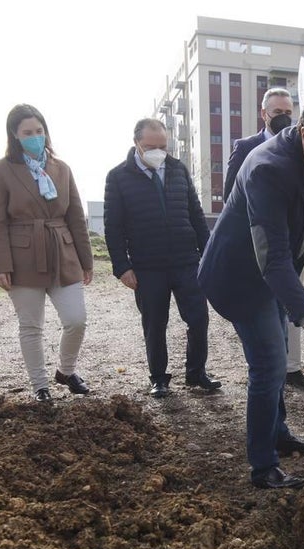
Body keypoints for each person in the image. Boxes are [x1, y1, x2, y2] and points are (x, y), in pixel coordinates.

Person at [199, 92, 304, 489]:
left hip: (276, 274)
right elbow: (272, 258)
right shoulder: (267, 169)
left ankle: (278, 432)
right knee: (270, 365)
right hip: (239, 278)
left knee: (273, 358)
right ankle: (263, 466)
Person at [0, 105, 93, 402]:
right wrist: (0, 265)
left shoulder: (62, 168)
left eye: (39, 131)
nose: (35, 137)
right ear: (15, 135)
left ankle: (66, 371)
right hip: (22, 257)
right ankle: (40, 385)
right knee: (31, 326)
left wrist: (86, 260)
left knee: (76, 320)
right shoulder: (1, 170)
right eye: (28, 132)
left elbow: (76, 216)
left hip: (63, 252)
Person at [105, 118, 219, 398]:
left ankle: (196, 372)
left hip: (186, 261)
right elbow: (113, 226)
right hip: (147, 266)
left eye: (163, 147)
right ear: (136, 143)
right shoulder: (118, 177)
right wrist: (122, 267)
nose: (158, 152)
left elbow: (196, 214)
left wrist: (208, 254)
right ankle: (158, 377)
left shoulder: (178, 169)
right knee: (155, 324)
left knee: (199, 319)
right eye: (150, 147)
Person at [224, 87, 304, 393]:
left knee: (289, 310)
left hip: (290, 247)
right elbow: (231, 195)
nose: (284, 117)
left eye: (288, 112)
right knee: (265, 322)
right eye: (278, 112)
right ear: (263, 114)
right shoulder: (246, 148)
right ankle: (270, 372)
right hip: (256, 248)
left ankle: (290, 369)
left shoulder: (301, 149)